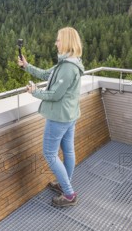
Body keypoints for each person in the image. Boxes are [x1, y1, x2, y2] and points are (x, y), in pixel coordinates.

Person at [18, 27, 85, 207]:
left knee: (50, 153)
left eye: (58, 40)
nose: (56, 43)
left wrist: (34, 92)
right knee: (68, 151)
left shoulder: (68, 68)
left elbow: (55, 95)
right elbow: (48, 74)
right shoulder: (69, 63)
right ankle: (66, 184)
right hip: (69, 115)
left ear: (67, 42)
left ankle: (69, 195)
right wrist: (27, 66)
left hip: (59, 117)